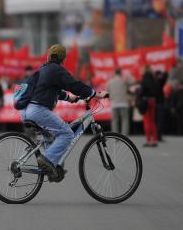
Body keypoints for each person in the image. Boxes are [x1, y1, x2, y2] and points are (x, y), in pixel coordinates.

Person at [21, 44, 107, 179]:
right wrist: (95, 93)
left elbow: (53, 90)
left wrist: (69, 97)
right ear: (63, 59)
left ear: (48, 56)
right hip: (38, 110)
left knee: (52, 136)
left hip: (28, 110)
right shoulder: (57, 70)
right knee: (67, 134)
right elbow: (74, 85)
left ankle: (53, 168)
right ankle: (47, 161)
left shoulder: (44, 69)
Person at [107, 68, 130, 136]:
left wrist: (111, 98)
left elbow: (107, 91)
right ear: (120, 73)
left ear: (115, 73)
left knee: (115, 120)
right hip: (123, 103)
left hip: (114, 103)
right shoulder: (124, 80)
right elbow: (133, 82)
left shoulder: (110, 81)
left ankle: (115, 135)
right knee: (125, 120)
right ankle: (124, 136)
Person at [140, 65, 158, 147]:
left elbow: (142, 91)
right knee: (152, 120)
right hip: (153, 100)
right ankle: (154, 139)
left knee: (146, 121)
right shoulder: (153, 78)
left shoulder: (144, 79)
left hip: (146, 101)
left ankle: (148, 140)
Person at [154, 71, 168, 141]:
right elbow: (165, 78)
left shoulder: (153, 82)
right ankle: (158, 136)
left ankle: (155, 136)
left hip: (154, 103)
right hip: (159, 103)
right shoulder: (159, 82)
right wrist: (166, 70)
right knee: (160, 121)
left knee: (155, 121)